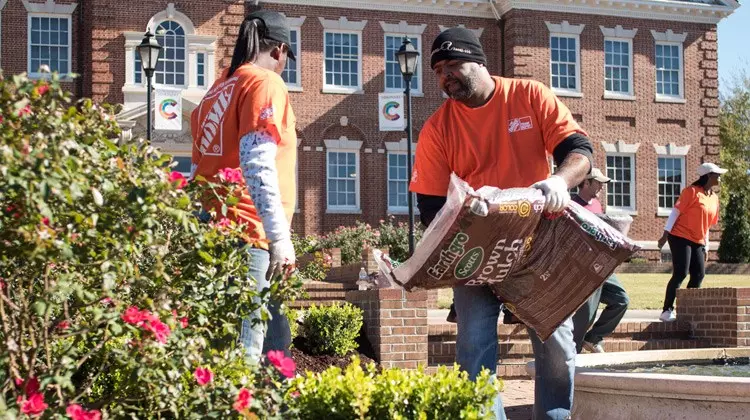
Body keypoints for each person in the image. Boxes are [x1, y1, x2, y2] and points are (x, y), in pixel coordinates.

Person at [411, 27, 593, 420]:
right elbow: (429, 204)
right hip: (477, 253)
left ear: (479, 61)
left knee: (557, 344)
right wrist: (458, 223)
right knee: (474, 347)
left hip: (536, 246)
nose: (445, 76)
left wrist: (559, 180)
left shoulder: (530, 96)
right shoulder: (437, 128)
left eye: (453, 64)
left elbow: (579, 151)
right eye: (438, 69)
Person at [190, 10, 298, 361]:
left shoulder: (214, 93)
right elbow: (256, 162)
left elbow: (197, 168)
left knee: (271, 349)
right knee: (246, 356)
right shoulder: (264, 82)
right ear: (280, 50)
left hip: (213, 232)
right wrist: (279, 239)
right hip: (249, 234)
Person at [570, 169, 630, 354]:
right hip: (583, 268)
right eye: (599, 183)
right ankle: (573, 353)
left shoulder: (596, 205)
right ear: (586, 183)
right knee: (586, 314)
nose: (602, 187)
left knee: (621, 300)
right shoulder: (571, 205)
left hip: (602, 265)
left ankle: (593, 338)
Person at [657, 162, 726, 322]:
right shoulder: (691, 192)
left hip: (698, 240)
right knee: (681, 272)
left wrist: (706, 246)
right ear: (708, 176)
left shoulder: (714, 198)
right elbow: (675, 213)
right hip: (680, 236)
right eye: (717, 174)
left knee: (699, 274)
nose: (720, 177)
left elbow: (707, 224)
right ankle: (666, 310)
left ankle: (688, 310)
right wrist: (665, 235)